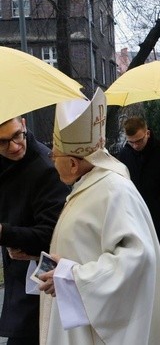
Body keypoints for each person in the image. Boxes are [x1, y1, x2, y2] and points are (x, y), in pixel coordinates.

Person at [38, 89, 160, 344]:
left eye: (55, 154)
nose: (52, 159)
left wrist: (75, 278)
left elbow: (138, 257)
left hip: (98, 323)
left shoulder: (113, 189)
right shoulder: (90, 184)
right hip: (82, 314)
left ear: (74, 164)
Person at [0, 116, 69, 345]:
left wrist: (4, 233)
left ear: (24, 124)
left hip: (41, 280)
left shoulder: (45, 167)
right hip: (20, 279)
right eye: (2, 142)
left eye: (17, 135)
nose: (13, 146)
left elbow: (52, 233)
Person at [118, 116, 160, 317]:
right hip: (135, 221)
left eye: (139, 140)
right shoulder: (124, 154)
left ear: (147, 132)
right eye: (131, 142)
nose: (136, 145)